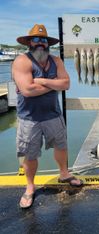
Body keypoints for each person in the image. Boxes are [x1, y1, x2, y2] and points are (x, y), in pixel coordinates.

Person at [12, 24, 83, 209]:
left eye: (44, 40)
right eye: (36, 39)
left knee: (61, 146)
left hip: (53, 114)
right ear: (29, 42)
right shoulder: (21, 61)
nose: (40, 43)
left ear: (48, 43)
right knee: (30, 154)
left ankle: (64, 173)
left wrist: (42, 81)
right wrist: (54, 84)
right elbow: (27, 90)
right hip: (29, 118)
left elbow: (66, 83)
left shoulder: (56, 60)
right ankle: (29, 187)